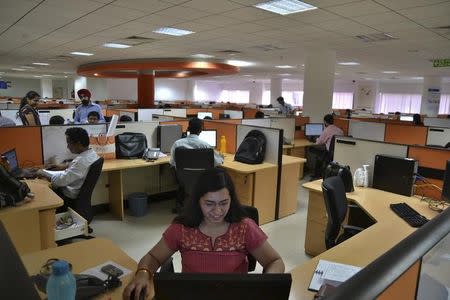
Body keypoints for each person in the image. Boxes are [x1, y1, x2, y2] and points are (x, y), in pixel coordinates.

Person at [122, 168, 285, 299]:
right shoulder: (182, 228)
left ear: (231, 200)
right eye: (209, 204)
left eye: (224, 203)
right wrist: (143, 274)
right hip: (192, 296)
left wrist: (266, 285)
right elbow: (153, 257)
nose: (217, 211)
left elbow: (275, 261)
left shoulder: (244, 228)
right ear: (198, 201)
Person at [36, 127, 99, 207]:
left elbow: (60, 181)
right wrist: (64, 166)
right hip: (76, 191)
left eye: (69, 143)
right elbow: (77, 168)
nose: (67, 146)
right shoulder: (92, 154)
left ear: (78, 143)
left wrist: (43, 173)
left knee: (41, 191)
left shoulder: (81, 162)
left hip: (68, 198)